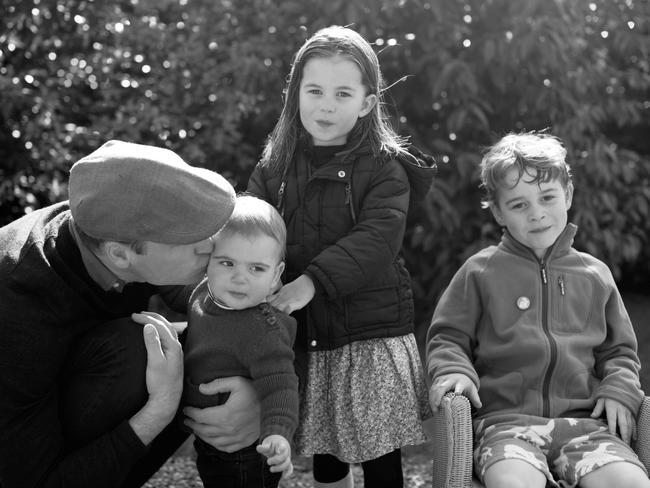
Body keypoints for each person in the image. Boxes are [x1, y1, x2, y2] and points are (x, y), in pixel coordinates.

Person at [0, 140, 263, 488]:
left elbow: (245, 309)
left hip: (62, 395)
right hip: (21, 459)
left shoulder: (110, 220)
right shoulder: (18, 306)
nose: (210, 245)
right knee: (141, 350)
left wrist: (260, 391)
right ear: (121, 255)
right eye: (190, 238)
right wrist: (161, 408)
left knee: (212, 349)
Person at [247, 25, 436, 488]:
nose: (326, 104)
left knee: (377, 452)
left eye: (342, 92)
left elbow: (377, 237)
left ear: (367, 103)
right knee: (325, 448)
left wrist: (308, 282)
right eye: (314, 90)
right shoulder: (276, 165)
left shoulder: (383, 166)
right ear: (295, 94)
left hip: (369, 334)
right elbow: (250, 225)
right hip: (308, 332)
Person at [426, 131, 650, 488]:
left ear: (568, 195)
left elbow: (619, 352)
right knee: (513, 482)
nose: (537, 214)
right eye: (519, 205)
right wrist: (454, 370)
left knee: (631, 483)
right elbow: (448, 337)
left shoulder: (595, 275)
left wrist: (619, 389)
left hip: (586, 428)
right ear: (498, 212)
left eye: (547, 197)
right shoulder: (480, 272)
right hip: (506, 427)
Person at [182, 194, 298, 488]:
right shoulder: (202, 296)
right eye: (227, 263)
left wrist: (277, 434)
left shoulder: (263, 331)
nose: (239, 278)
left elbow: (281, 386)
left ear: (276, 276)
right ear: (208, 260)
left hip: (248, 451)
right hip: (210, 439)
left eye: (256, 268)